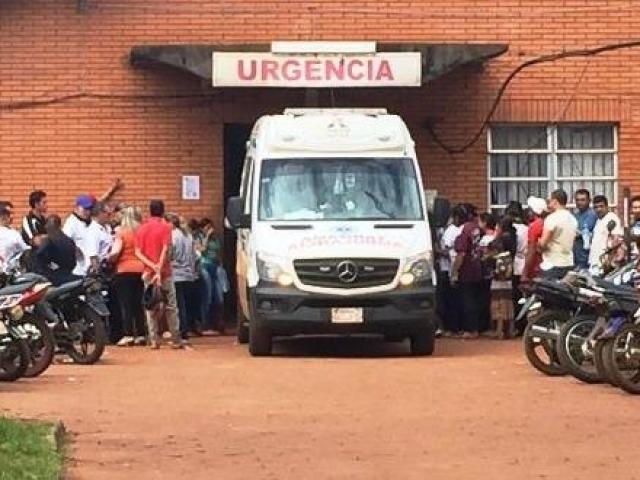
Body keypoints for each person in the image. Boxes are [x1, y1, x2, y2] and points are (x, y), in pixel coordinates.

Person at [134, 200, 183, 349]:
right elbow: (165, 249)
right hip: (165, 272)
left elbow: (138, 252)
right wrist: (159, 269)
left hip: (148, 273)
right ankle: (176, 339)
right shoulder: (166, 227)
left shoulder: (141, 228)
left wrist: (151, 266)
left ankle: (154, 339)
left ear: (150, 211)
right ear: (163, 211)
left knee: (150, 306)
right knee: (171, 306)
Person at [109, 206, 146, 347]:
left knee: (126, 304)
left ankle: (128, 334)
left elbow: (115, 252)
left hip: (124, 270)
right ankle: (141, 334)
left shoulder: (122, 232)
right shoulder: (142, 232)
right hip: (140, 270)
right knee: (138, 303)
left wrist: (109, 259)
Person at [452, 204, 483, 339]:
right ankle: (477, 328)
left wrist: (454, 271)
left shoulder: (464, 229)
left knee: (467, 300)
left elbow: (461, 253)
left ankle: (471, 329)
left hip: (467, 269)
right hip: (477, 267)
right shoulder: (476, 228)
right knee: (475, 299)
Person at [168, 214, 200, 340]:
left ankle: (182, 330)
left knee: (178, 304)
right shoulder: (188, 236)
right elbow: (196, 256)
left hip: (177, 273)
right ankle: (189, 327)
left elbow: (171, 254)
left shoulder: (174, 235)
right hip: (188, 273)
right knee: (187, 303)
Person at [436, 206, 464, 337]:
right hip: (458, 267)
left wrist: (437, 251)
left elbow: (446, 251)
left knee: (448, 300)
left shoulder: (451, 230)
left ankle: (451, 328)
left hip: (448, 268)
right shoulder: (461, 229)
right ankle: (457, 327)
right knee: (457, 299)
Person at [539, 189, 578, 279]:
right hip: (568, 263)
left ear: (555, 201)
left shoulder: (552, 218)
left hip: (552, 264)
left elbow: (542, 244)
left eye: (550, 200)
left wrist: (539, 242)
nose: (548, 203)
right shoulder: (573, 219)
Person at [35, 215, 78, 286]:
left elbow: (38, 257)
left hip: (52, 278)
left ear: (48, 226)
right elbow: (74, 261)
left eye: (47, 225)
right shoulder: (69, 240)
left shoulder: (49, 240)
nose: (45, 227)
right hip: (68, 275)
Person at [504, 201, 528, 326]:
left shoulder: (510, 230)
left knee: (515, 296)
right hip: (525, 263)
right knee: (524, 296)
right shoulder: (526, 228)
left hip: (515, 264)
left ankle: (517, 324)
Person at [198, 218, 224, 334]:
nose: (210, 230)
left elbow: (219, 252)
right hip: (205, 266)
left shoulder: (216, 238)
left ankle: (217, 323)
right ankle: (205, 324)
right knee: (207, 295)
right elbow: (202, 250)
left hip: (215, 266)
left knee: (218, 296)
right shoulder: (200, 237)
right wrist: (207, 237)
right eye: (207, 228)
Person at [63, 195, 99, 276]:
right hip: (78, 271)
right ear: (76, 207)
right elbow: (65, 244)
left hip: (91, 270)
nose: (88, 212)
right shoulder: (71, 224)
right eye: (85, 209)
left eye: (89, 209)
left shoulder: (88, 223)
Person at [589, 195, 625, 273]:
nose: (599, 209)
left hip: (605, 263)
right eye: (596, 207)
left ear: (607, 206)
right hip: (596, 262)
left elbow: (616, 240)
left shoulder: (611, 219)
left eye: (601, 206)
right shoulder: (599, 220)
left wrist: (610, 260)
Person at [477, 212, 497, 336]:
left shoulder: (485, 239)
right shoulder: (495, 236)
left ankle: (485, 325)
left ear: (485, 223)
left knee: (485, 299)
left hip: (486, 273)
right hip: (494, 273)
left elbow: (482, 256)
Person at [573, 189, 597, 270]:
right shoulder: (576, 215)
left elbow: (583, 232)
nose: (579, 202)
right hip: (576, 257)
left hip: (586, 257)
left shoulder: (592, 215)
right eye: (577, 200)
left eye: (583, 200)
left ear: (589, 200)